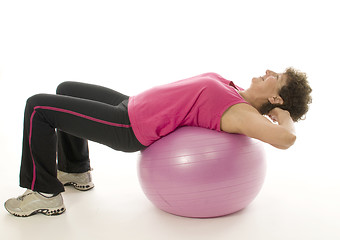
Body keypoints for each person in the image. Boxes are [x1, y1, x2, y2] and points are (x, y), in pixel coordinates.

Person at [4, 68, 312, 217]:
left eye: (277, 77)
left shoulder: (240, 113)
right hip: (129, 104)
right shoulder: (236, 90)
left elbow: (286, 139)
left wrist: (283, 115)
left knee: (38, 107)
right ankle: (75, 170)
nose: (269, 71)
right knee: (65, 88)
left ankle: (44, 193)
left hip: (129, 126)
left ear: (275, 97)